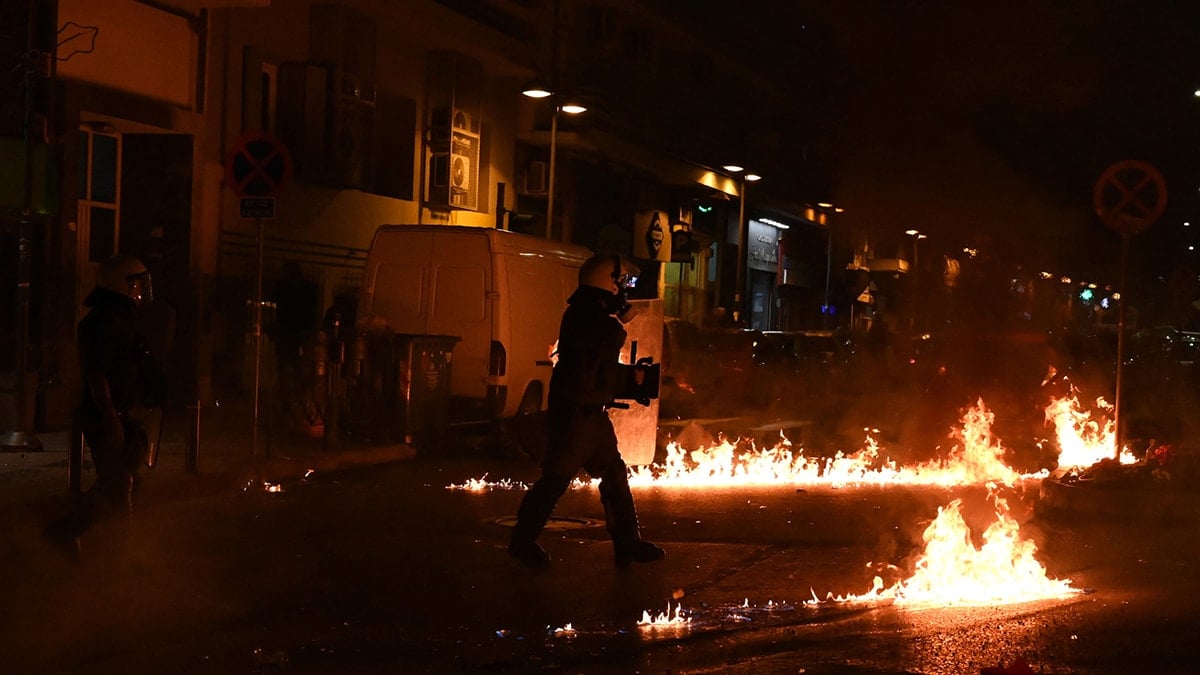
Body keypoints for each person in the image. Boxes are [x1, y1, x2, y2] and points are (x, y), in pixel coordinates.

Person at [508, 253, 665, 570]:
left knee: (614, 474)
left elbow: (597, 369)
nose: (624, 292)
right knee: (555, 479)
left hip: (589, 413)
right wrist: (631, 379)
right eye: (621, 285)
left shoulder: (589, 315)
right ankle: (522, 543)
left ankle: (627, 543)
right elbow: (593, 369)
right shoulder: (588, 318)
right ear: (607, 283)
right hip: (577, 414)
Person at [47, 254, 165, 558]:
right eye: (136, 285)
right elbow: (97, 372)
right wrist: (111, 415)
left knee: (124, 479)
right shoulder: (107, 323)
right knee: (119, 481)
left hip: (114, 412)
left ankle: (105, 543)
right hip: (105, 414)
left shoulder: (114, 320)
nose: (139, 292)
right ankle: (82, 538)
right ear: (121, 285)